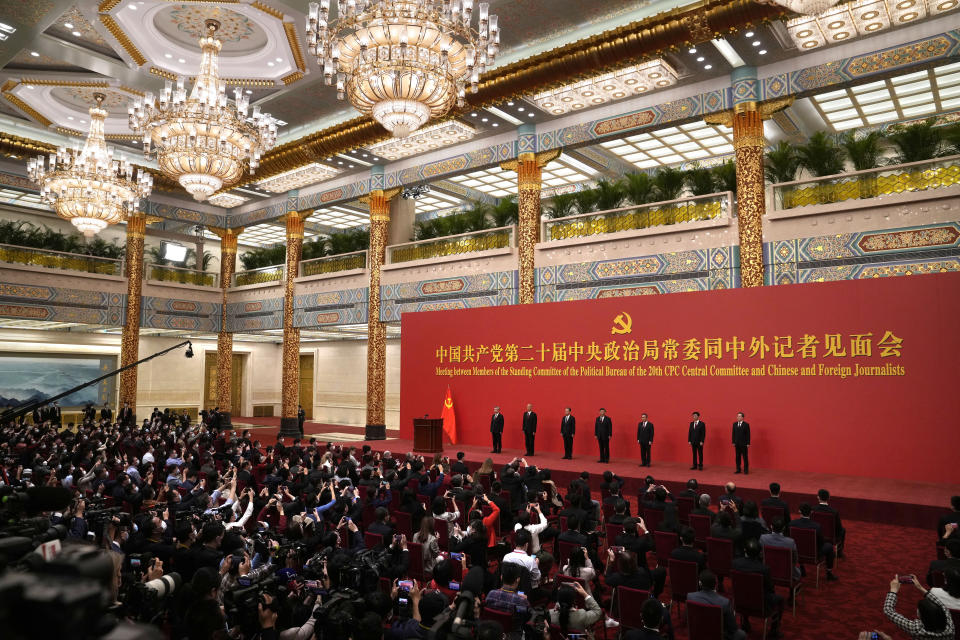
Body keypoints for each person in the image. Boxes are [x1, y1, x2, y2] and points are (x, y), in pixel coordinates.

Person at [732, 539, 783, 639]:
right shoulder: (764, 569)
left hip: (739, 601)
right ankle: (774, 630)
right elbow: (770, 588)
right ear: (760, 553)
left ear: (745, 550)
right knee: (780, 599)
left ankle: (745, 621)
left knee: (745, 591)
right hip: (760, 604)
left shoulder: (735, 563)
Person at [883, 575, 955, 639]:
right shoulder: (949, 625)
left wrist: (893, 590)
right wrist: (920, 587)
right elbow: (941, 605)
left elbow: (888, 611)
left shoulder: (916, 629)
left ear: (922, 617)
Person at [687, 570, 746, 640]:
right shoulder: (725, 602)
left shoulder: (690, 596)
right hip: (718, 636)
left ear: (700, 583)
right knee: (741, 634)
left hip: (698, 633)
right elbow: (733, 628)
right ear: (715, 584)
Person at [790, 503, 838, 581]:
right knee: (829, 546)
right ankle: (829, 573)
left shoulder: (792, 524)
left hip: (797, 552)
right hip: (813, 554)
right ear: (811, 512)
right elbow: (821, 543)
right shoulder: (816, 526)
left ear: (799, 511)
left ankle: (802, 567)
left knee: (800, 545)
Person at [814, 489, 846, 558]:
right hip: (831, 537)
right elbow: (839, 528)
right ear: (828, 498)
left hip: (816, 535)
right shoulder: (834, 512)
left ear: (818, 497)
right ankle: (839, 553)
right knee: (843, 530)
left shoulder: (813, 510)